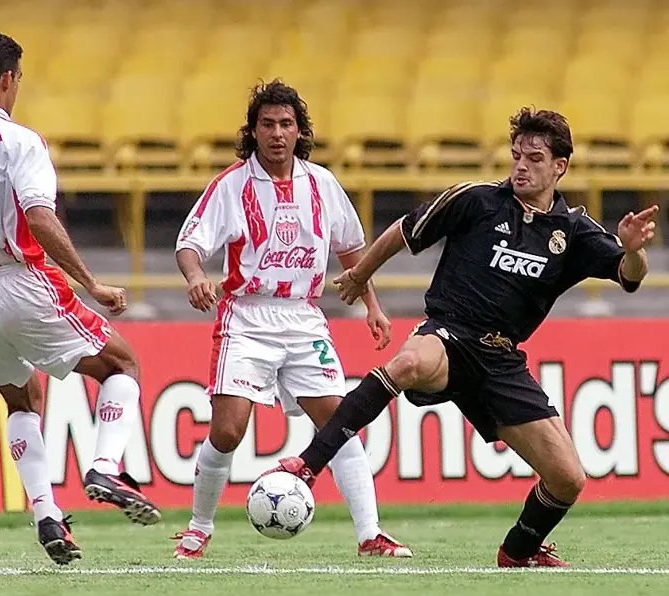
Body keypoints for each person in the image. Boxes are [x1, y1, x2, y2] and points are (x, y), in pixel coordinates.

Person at [262, 107, 658, 568]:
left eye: (534, 158)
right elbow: (404, 232)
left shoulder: (573, 232)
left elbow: (630, 277)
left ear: (559, 167)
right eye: (516, 157)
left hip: (502, 361)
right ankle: (308, 464)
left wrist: (632, 251)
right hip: (449, 335)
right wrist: (360, 274)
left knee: (568, 478)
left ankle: (518, 552)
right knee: (407, 363)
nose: (522, 167)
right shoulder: (478, 200)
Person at [0, 32, 161, 565]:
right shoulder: (20, 142)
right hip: (21, 278)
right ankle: (106, 467)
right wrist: (91, 283)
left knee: (22, 399)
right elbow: (40, 217)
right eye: (17, 78)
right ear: (7, 79)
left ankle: (46, 513)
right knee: (122, 365)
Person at [173, 80, 412, 559]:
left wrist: (374, 307)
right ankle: (199, 528)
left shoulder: (322, 184)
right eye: (268, 124)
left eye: (286, 124)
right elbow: (189, 245)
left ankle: (370, 535)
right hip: (247, 316)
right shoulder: (232, 185)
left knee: (341, 422)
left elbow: (353, 253)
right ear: (254, 132)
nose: (277, 133)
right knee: (228, 431)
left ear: (300, 131)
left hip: (304, 316)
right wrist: (197, 276)